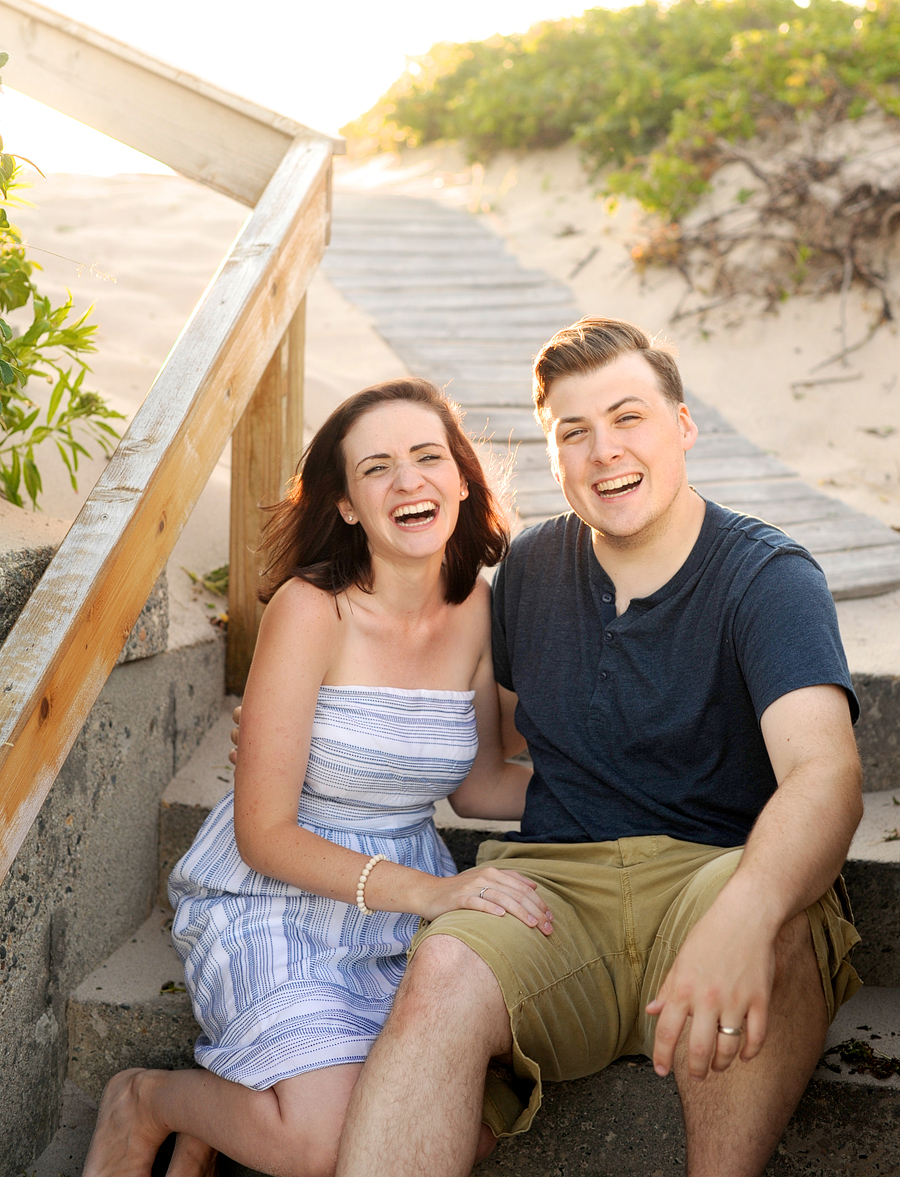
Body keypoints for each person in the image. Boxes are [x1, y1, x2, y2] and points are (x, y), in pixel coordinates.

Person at [332, 318, 864, 1177]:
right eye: (572, 432)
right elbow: (483, 771)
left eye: (628, 418)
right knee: (445, 968)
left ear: (682, 427)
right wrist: (328, 729)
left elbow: (827, 773)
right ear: (554, 457)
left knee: (767, 915)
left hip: (711, 874)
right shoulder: (531, 572)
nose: (602, 451)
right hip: (557, 894)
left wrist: (747, 909)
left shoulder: (768, 578)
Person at [82, 377, 553, 1177]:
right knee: (324, 1142)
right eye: (377, 468)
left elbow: (478, 787)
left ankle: (230, 1105)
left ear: (463, 478)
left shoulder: (479, 604)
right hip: (277, 893)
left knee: (448, 1131)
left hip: (403, 899)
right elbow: (262, 834)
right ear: (346, 505)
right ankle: (150, 1099)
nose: (407, 481)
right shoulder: (312, 608)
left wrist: (619, 793)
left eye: (427, 456)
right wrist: (432, 894)